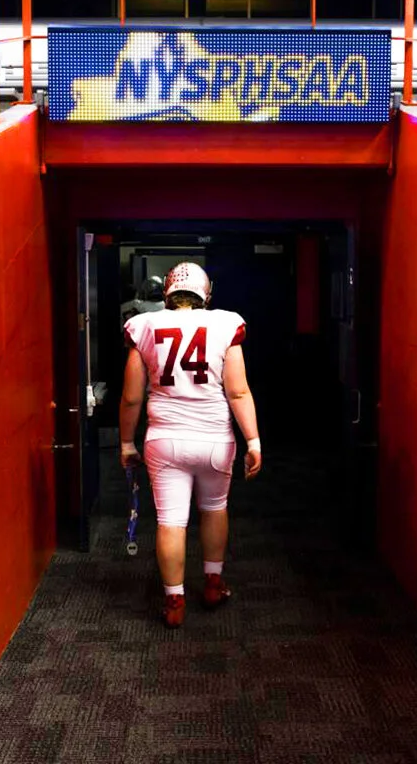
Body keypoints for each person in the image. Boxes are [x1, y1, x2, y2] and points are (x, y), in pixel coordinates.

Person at [119, 262, 262, 629]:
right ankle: (213, 584)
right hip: (215, 437)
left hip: (164, 439)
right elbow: (238, 390)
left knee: (170, 521)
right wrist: (254, 440)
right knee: (214, 509)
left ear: (167, 292)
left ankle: (174, 601)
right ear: (205, 293)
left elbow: (132, 397)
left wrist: (124, 442)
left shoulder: (145, 325)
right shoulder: (225, 323)